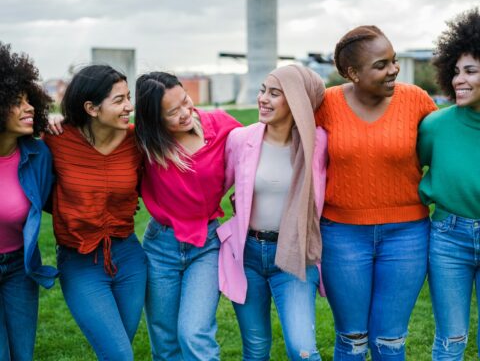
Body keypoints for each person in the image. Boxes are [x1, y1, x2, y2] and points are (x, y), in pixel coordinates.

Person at [314, 26, 437, 360]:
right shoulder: (327, 104)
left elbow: (448, 143)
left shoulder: (416, 99)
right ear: (352, 73)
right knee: (352, 341)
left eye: (394, 61)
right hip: (342, 236)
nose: (393, 69)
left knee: (389, 341)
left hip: (407, 236)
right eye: (381, 65)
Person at [218, 65, 327, 360]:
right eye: (262, 90)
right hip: (249, 254)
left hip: (295, 254)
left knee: (302, 349)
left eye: (275, 93)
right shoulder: (241, 139)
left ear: (297, 101)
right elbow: (217, 186)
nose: (263, 99)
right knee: (255, 348)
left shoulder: (318, 143)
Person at [134, 72, 241, 361]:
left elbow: (260, 144)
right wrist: (59, 122)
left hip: (206, 245)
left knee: (194, 332)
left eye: (185, 101)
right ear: (154, 119)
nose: (185, 113)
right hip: (160, 247)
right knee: (165, 340)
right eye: (172, 112)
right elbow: (94, 136)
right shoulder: (143, 143)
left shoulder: (219, 125)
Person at [44, 65, 147, 360]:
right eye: (119, 100)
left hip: (129, 258)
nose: (129, 106)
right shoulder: (57, 138)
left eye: (128, 97)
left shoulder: (136, 142)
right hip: (80, 262)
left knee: (117, 351)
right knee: (120, 356)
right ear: (91, 107)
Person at [418, 7, 480, 360]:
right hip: (448, 239)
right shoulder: (435, 126)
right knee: (451, 340)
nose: (460, 79)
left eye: (471, 71)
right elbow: (412, 167)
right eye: (456, 71)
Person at [0, 42, 56, 361]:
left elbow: (50, 199)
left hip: (19, 268)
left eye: (29, 101)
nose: (29, 108)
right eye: (17, 102)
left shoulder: (37, 155)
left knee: (22, 354)